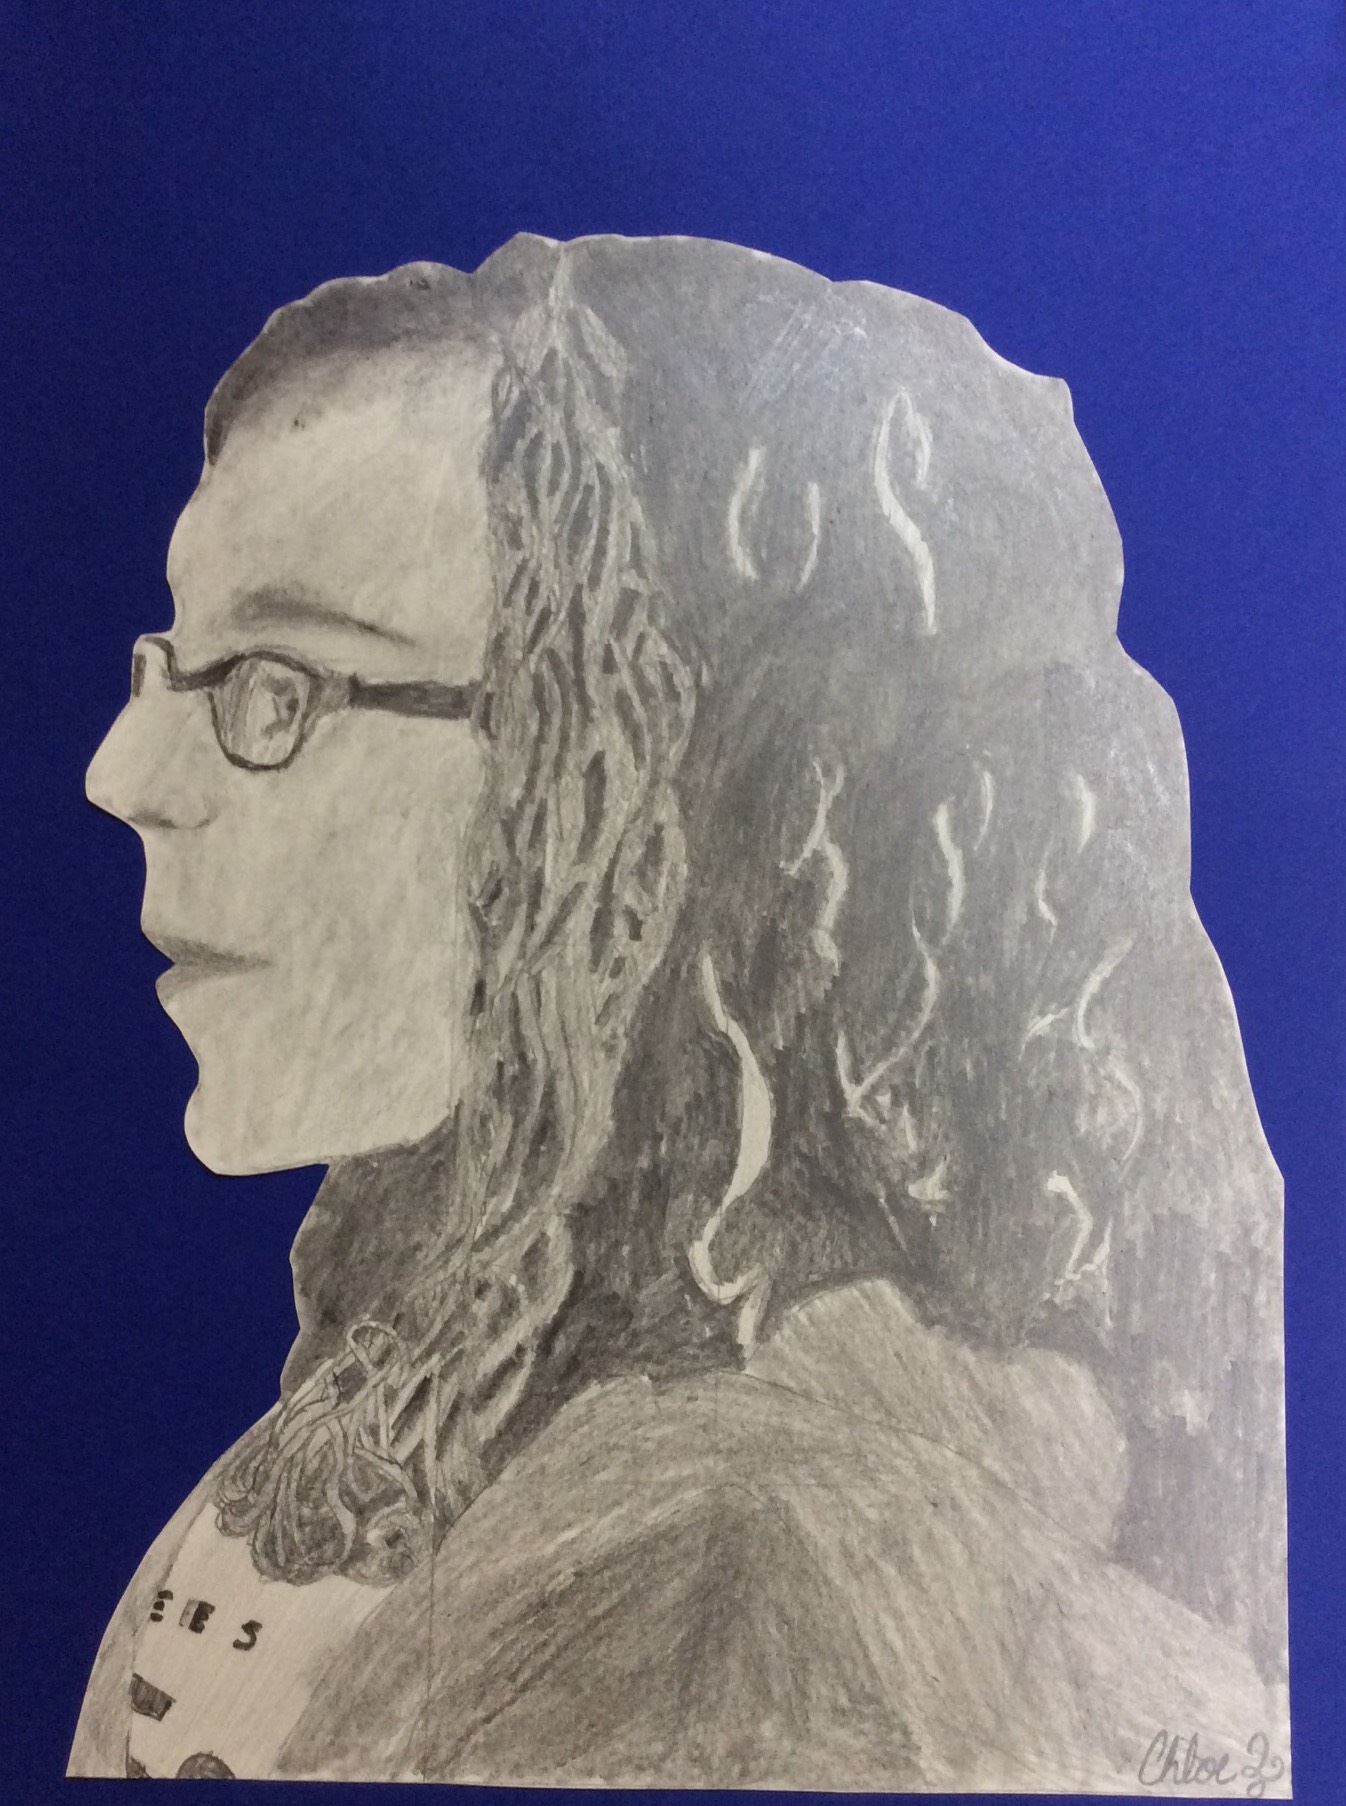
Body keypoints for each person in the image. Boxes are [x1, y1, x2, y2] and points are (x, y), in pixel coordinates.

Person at [69, 234, 1288, 1792]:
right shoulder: (425, 1402)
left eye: (276, 685)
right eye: (169, 672)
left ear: (652, 794)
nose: (121, 774)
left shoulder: (749, 1590)